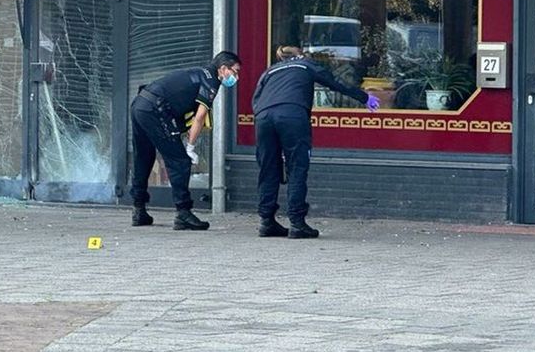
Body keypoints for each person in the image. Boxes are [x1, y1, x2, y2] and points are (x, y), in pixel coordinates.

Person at [252, 45, 379, 239]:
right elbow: (335, 82)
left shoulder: (269, 71)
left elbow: (256, 98)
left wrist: (265, 118)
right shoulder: (306, 64)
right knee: (297, 166)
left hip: (263, 116)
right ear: (300, 54)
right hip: (292, 114)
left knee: (268, 167)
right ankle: (297, 223)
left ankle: (266, 221)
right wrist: (364, 97)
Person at [130, 51, 242, 230]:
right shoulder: (211, 80)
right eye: (234, 72)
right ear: (222, 69)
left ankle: (139, 209)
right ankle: (183, 213)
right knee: (180, 160)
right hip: (154, 110)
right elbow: (199, 117)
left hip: (140, 104)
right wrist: (190, 147)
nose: (236, 77)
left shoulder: (200, 73)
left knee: (143, 156)